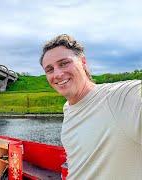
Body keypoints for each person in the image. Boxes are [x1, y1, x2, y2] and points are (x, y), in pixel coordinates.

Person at [39, 34, 141, 179]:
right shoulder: (68, 108)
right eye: (49, 69)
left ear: (83, 62)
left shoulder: (120, 97)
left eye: (64, 63)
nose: (58, 74)